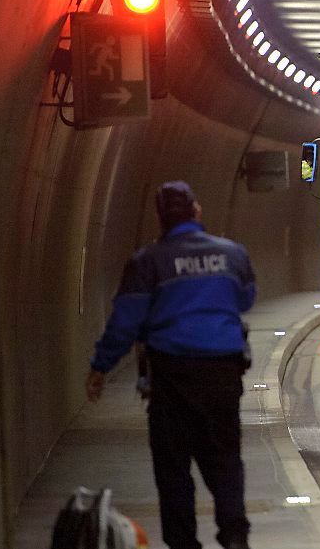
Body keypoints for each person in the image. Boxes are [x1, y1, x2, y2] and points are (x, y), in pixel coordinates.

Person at [86, 181, 256, 549]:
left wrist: (100, 366)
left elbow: (125, 321)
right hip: (221, 374)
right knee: (225, 462)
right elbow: (244, 299)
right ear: (196, 211)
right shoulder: (232, 255)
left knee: (173, 470)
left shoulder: (147, 262)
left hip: (170, 378)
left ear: (160, 218)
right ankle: (235, 538)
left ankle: (182, 544)